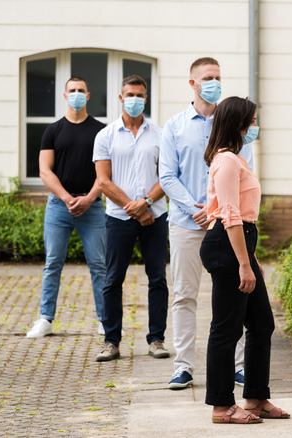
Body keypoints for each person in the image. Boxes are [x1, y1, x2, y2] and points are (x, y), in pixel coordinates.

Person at [159, 57, 251, 389]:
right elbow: (167, 176)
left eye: (218, 77)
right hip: (185, 223)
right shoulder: (174, 126)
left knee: (230, 297)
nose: (214, 82)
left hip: (224, 225)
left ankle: (237, 365)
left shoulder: (234, 125)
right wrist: (192, 206)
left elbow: (243, 173)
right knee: (184, 296)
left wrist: (214, 212)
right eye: (207, 77)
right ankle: (183, 366)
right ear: (193, 83)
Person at [198, 97, 289, 424]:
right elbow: (229, 216)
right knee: (226, 328)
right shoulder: (226, 161)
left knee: (262, 322)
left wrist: (249, 258)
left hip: (237, 243)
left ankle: (254, 397)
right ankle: (222, 405)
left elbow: (233, 213)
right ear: (237, 123)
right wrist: (244, 263)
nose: (255, 126)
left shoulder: (236, 159)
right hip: (227, 243)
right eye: (251, 121)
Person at [92, 74, 170, 362]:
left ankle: (156, 339)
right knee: (113, 280)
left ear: (145, 98)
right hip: (119, 218)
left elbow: (168, 176)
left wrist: (147, 203)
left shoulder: (160, 134)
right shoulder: (106, 136)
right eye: (129, 94)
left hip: (155, 216)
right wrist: (134, 208)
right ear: (121, 97)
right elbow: (103, 181)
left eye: (140, 95)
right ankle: (111, 341)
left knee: (158, 278)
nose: (135, 99)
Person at [27, 77, 107, 339]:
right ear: (64, 95)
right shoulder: (52, 130)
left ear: (88, 95)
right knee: (52, 264)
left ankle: (105, 320)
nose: (76, 94)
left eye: (80, 91)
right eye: (71, 91)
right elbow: (44, 170)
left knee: (99, 265)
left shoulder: (100, 130)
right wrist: (66, 198)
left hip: (92, 206)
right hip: (58, 207)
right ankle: (46, 319)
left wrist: (87, 198)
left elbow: (105, 174)